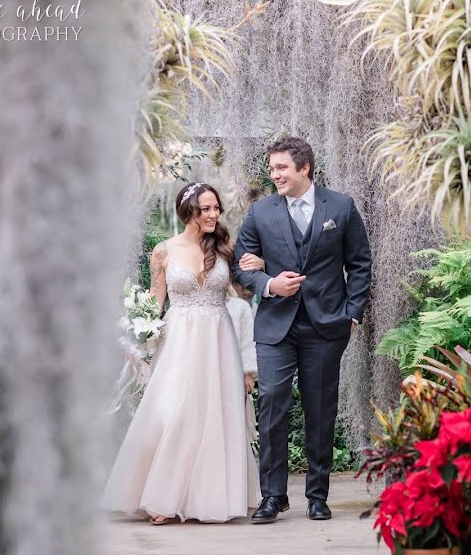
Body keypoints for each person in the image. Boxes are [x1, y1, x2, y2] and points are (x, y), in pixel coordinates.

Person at [101, 182, 262, 524]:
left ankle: (210, 498)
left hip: (218, 341)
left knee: (215, 415)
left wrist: (256, 268)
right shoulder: (163, 251)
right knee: (174, 412)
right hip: (178, 342)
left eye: (216, 208)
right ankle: (162, 497)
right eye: (205, 209)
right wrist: (138, 337)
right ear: (188, 211)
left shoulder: (224, 248)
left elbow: (244, 295)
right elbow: (154, 303)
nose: (213, 214)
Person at [233, 136, 373, 524]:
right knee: (273, 401)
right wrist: (268, 285)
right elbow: (241, 267)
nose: (274, 174)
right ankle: (272, 497)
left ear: (304, 168)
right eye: (272, 168)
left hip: (327, 324)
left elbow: (359, 263)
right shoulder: (260, 212)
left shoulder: (340, 207)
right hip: (275, 324)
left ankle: (317, 495)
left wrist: (352, 313)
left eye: (281, 168)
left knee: (320, 408)